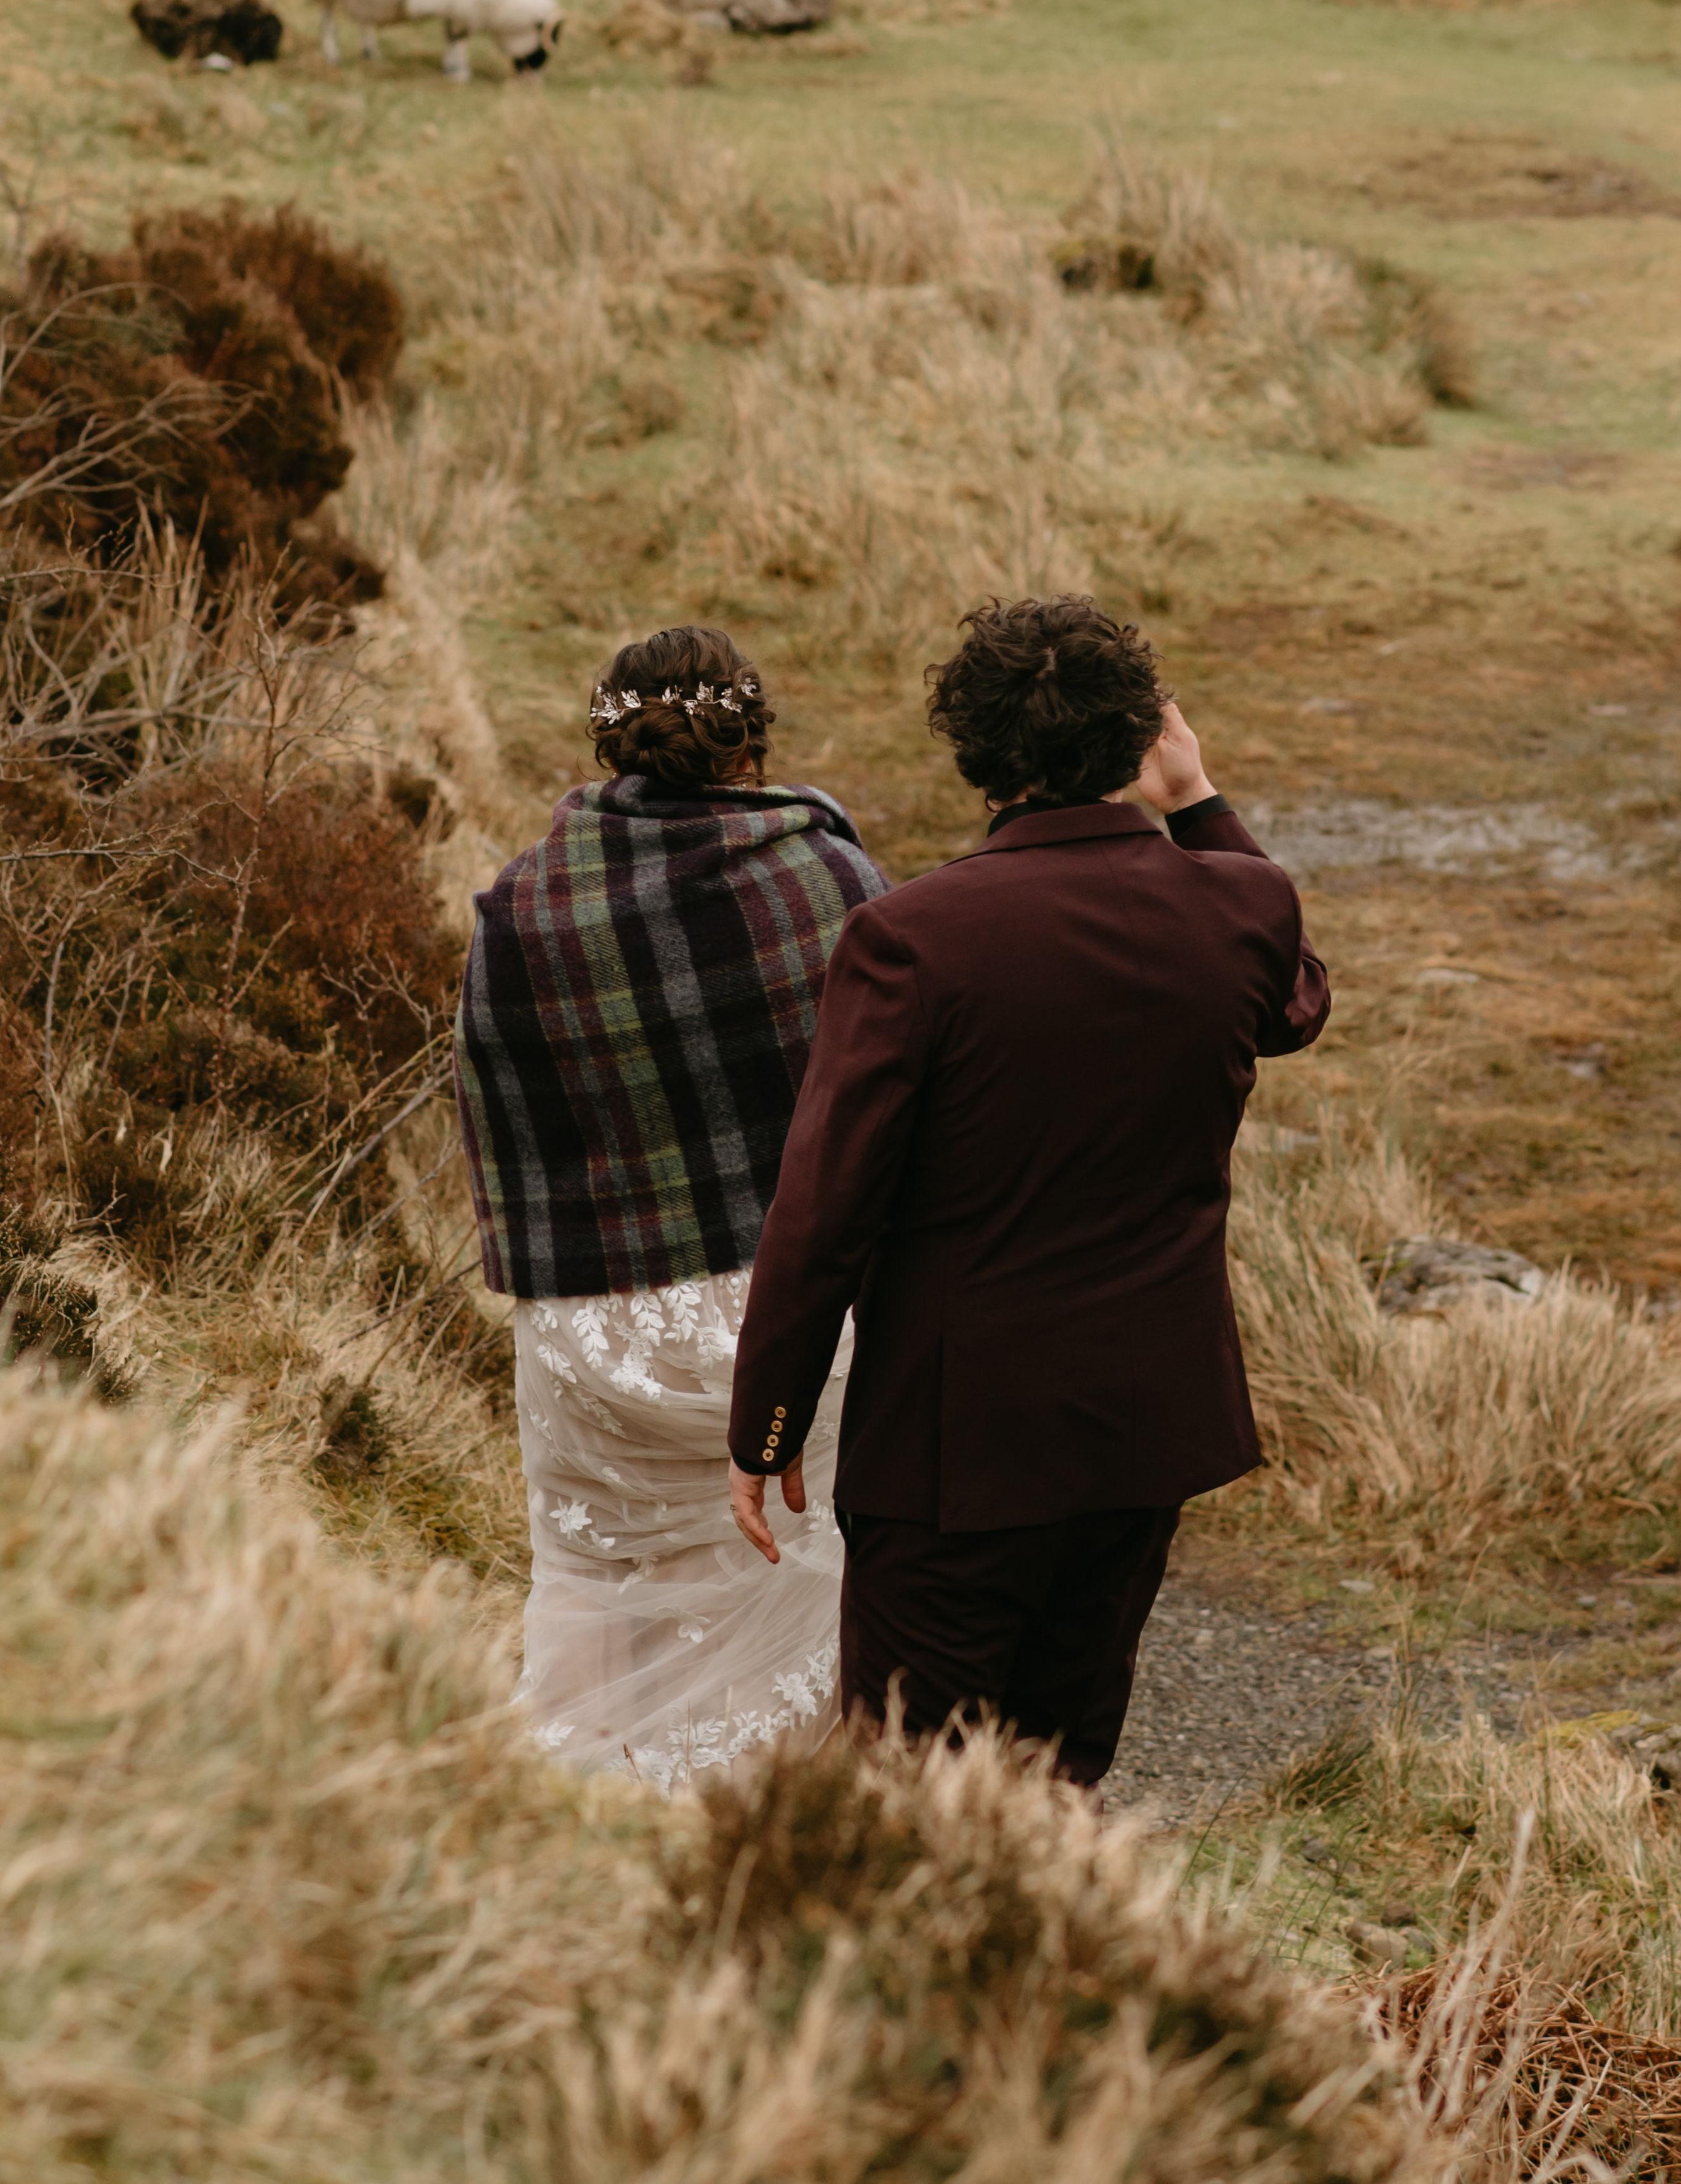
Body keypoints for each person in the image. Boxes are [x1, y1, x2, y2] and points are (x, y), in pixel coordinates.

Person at [722, 593, 1327, 1790]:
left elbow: (823, 1213)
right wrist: (1198, 800)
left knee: (908, 1783)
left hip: (960, 1449)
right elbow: (1296, 997)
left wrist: (769, 1425)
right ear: (1138, 738)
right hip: (1150, 1427)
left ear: (976, 752)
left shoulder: (910, 940)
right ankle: (1040, 1962)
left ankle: (930, 1975)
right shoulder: (1239, 911)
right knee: (1060, 1768)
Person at [454, 622, 886, 1790]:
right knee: (788, 1588)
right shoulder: (831, 883)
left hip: (590, 1328)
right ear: (751, 744)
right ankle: (767, 1841)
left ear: (606, 742)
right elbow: (881, 1113)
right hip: (784, 1324)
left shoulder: (518, 911)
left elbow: (505, 1121)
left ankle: (576, 1823)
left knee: (598, 1593)